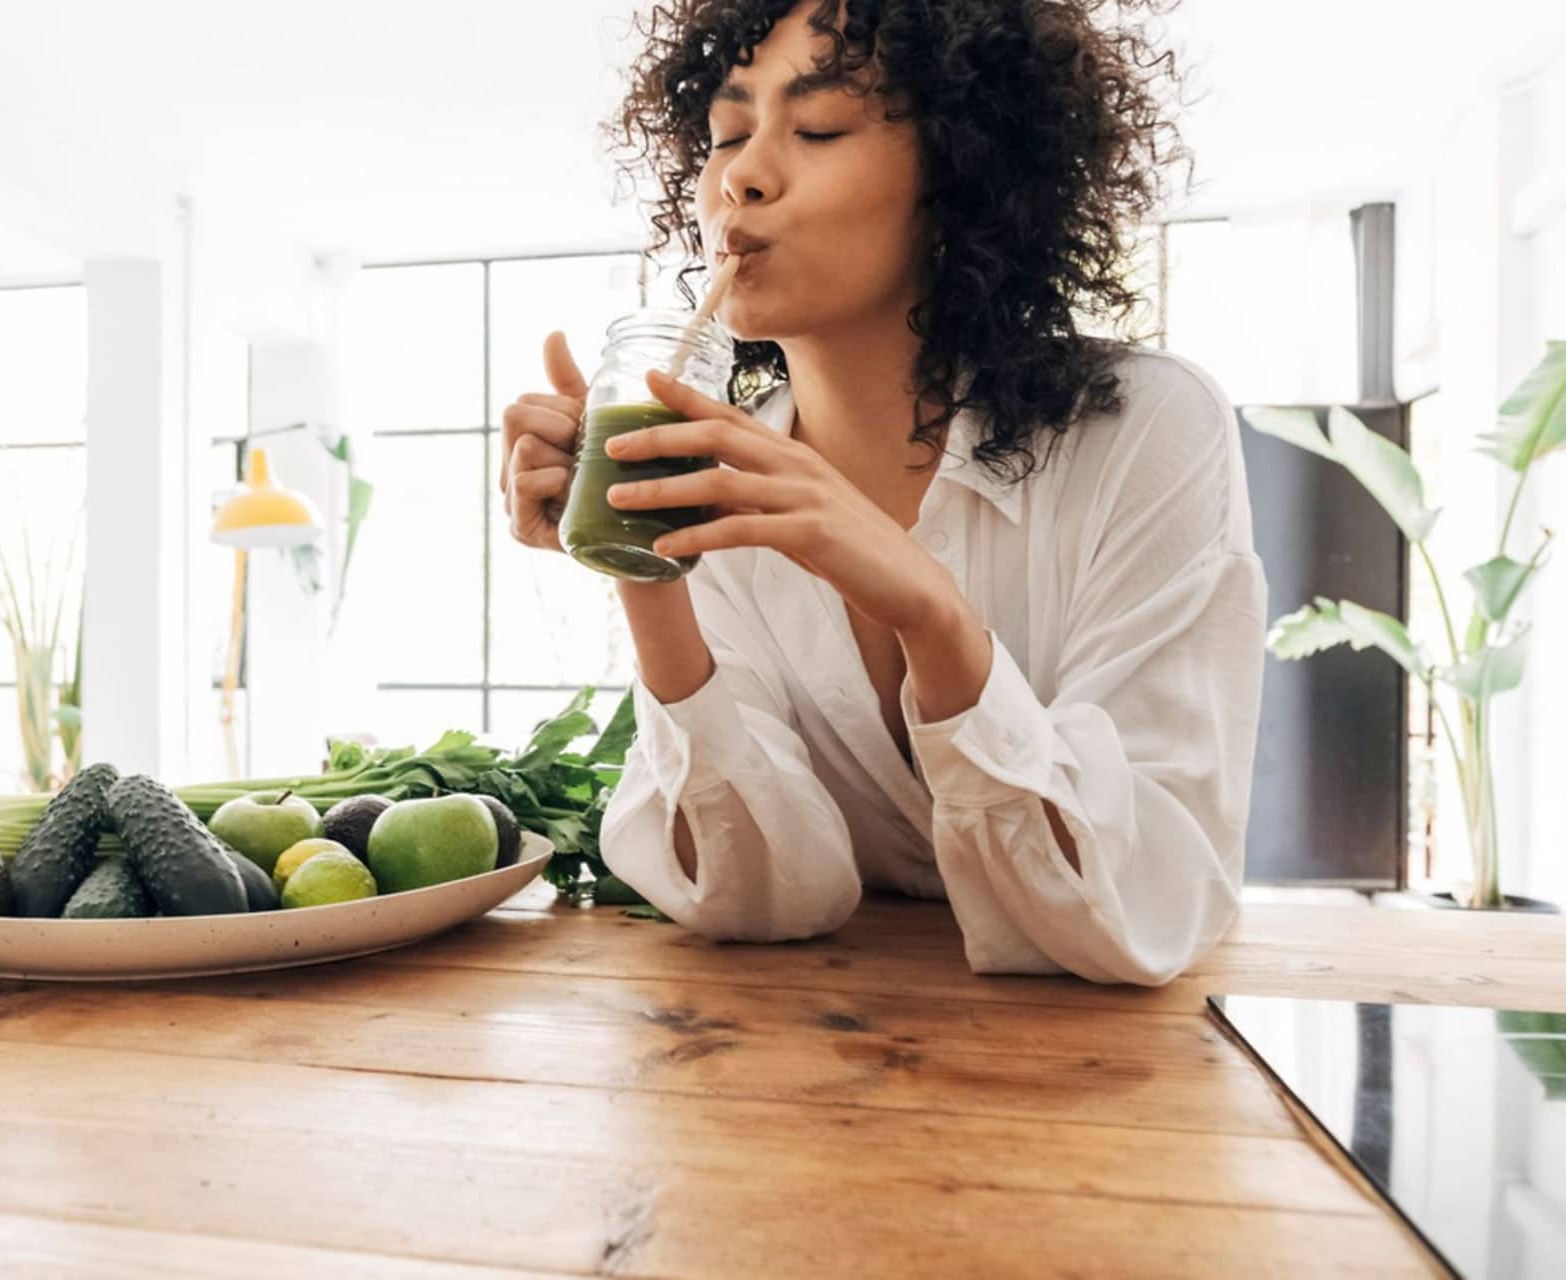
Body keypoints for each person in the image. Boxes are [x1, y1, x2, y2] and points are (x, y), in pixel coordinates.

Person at [499, 0, 1266, 985]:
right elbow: (759, 900)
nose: (741, 173)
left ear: (959, 177)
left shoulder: (1143, 432)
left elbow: (1144, 903)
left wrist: (931, 617)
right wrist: (639, 555)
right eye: (727, 133)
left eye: (815, 130)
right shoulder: (714, 476)